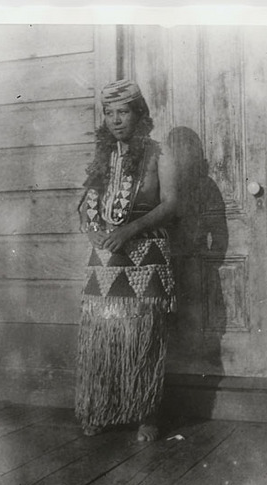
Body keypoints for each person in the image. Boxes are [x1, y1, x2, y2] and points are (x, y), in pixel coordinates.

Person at [75, 79, 177, 442]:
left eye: (123, 112)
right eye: (109, 113)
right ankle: (101, 408)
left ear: (139, 114)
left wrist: (131, 230)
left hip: (146, 254)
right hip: (106, 257)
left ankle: (145, 413)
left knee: (142, 335)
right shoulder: (102, 157)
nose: (116, 120)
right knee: (103, 335)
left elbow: (170, 204)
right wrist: (94, 233)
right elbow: (86, 204)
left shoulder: (159, 153)